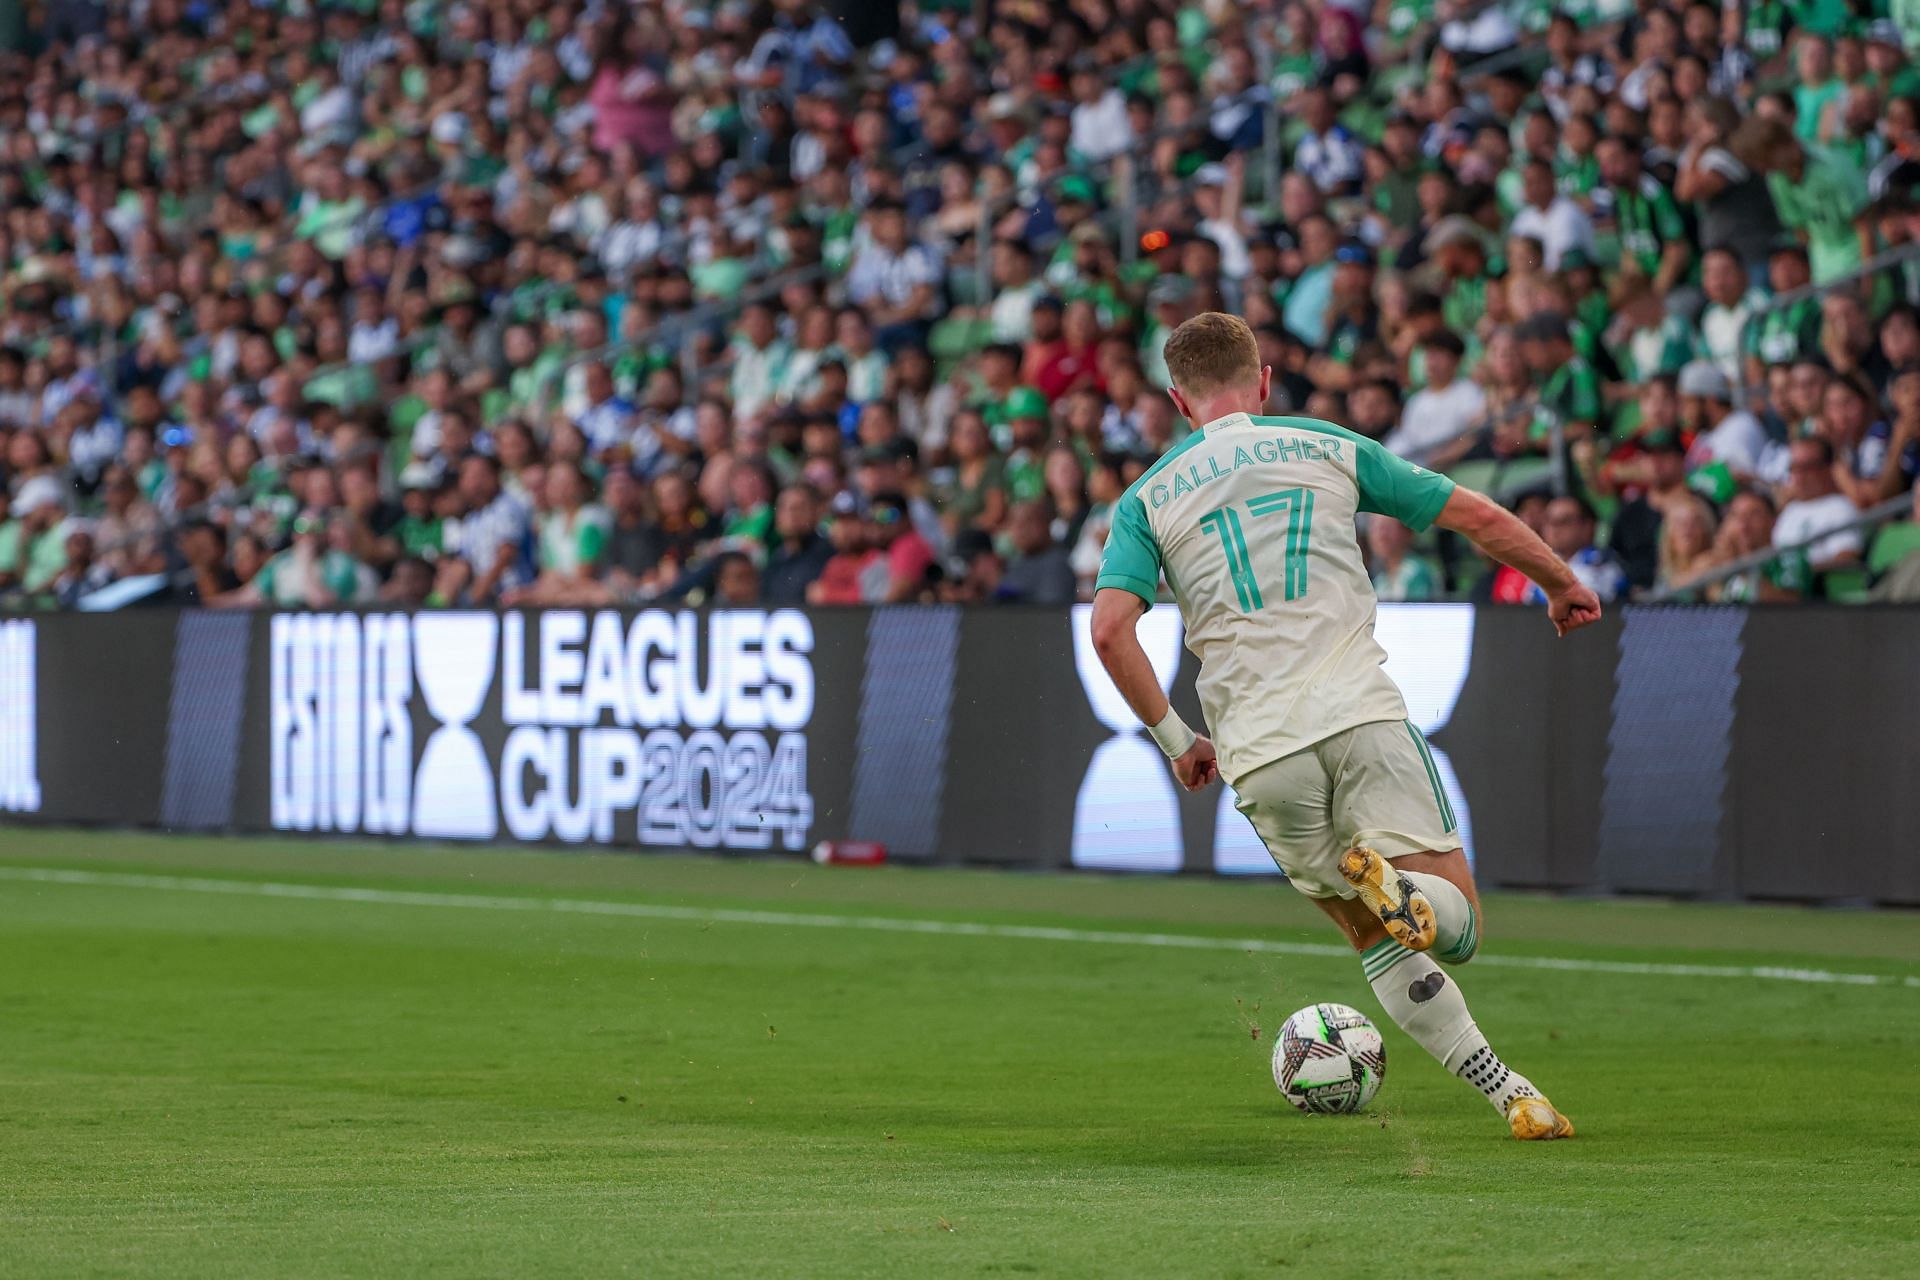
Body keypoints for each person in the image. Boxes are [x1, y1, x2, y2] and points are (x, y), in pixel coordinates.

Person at [1090, 312, 1600, 1140]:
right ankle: (1420, 901)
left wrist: (1181, 743)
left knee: (1373, 933)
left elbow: (1111, 630)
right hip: (1358, 710)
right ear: (1261, 382)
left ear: (1179, 402)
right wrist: (1559, 581)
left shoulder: (1147, 497)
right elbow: (1473, 514)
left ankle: (1514, 1093)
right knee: (1453, 925)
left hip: (1260, 754)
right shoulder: (1326, 443)